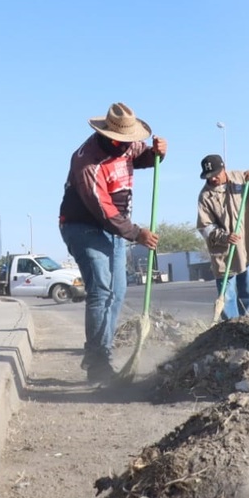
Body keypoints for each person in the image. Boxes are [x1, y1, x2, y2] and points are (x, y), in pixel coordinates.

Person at [59, 102, 166, 383]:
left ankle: (101, 353)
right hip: (83, 227)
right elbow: (102, 209)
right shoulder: (87, 161)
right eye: (124, 140)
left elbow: (141, 157)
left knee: (117, 293)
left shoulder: (128, 145)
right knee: (101, 291)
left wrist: (157, 154)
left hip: (116, 230)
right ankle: (96, 363)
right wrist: (137, 233)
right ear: (108, 135)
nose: (130, 145)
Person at [196, 155, 249, 320]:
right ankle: (231, 325)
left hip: (247, 247)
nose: (213, 178)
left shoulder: (241, 179)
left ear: (224, 169)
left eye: (216, 174)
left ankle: (243, 320)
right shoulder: (205, 196)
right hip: (224, 252)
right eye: (209, 176)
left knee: (247, 289)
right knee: (227, 294)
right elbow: (205, 227)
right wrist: (224, 237)